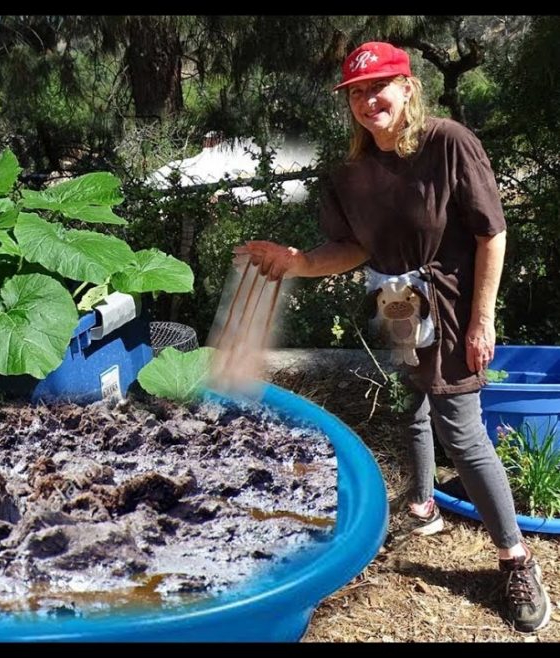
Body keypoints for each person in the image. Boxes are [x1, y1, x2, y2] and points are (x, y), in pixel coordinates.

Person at [235, 41, 551, 634]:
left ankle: (514, 557)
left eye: (379, 86)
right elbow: (352, 248)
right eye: (356, 92)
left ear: (409, 87)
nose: (367, 100)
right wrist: (294, 260)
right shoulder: (350, 172)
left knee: (460, 427)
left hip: (451, 307)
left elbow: (492, 234)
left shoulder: (448, 143)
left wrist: (483, 320)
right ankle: (424, 506)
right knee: (412, 405)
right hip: (397, 306)